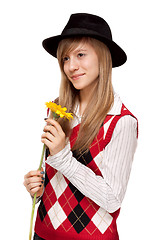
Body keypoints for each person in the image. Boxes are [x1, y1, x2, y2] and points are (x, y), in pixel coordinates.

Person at [24, 13, 138, 240]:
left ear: (103, 58)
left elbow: (112, 199)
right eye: (65, 58)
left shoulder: (121, 121)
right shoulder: (56, 109)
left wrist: (62, 156)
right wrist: (37, 187)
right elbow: (57, 179)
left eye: (81, 55)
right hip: (43, 233)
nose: (71, 66)